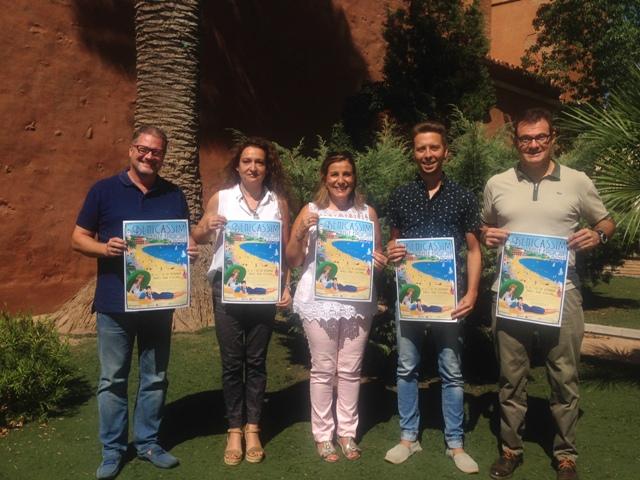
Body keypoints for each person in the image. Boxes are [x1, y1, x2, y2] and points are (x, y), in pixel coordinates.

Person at [481, 108, 615, 480]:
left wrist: (598, 235)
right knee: (511, 376)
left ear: (553, 138)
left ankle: (565, 455)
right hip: (510, 294)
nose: (534, 144)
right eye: (526, 138)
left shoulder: (577, 181)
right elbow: (485, 226)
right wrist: (485, 235)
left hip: (562, 293)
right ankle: (511, 449)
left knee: (564, 376)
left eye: (541, 137)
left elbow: (606, 221)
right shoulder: (497, 183)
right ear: (516, 142)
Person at [71, 126, 199, 480]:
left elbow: (182, 238)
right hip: (114, 303)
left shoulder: (174, 194)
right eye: (143, 149)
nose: (149, 156)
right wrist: (104, 248)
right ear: (131, 150)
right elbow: (78, 239)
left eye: (156, 151)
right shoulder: (104, 191)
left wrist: (188, 248)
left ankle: (148, 443)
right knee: (112, 379)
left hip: (159, 303)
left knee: (155, 377)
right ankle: (113, 450)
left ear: (163, 156)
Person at [385, 121, 481, 474]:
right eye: (421, 148)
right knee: (406, 367)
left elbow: (474, 249)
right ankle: (408, 438)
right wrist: (391, 250)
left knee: (451, 371)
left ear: (445, 152)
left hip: (448, 300)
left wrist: (472, 293)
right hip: (410, 299)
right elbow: (393, 242)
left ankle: (455, 444)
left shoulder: (463, 196)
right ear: (414, 153)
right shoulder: (400, 195)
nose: (428, 154)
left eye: (434, 148)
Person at [192, 137, 291, 466]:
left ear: (267, 167)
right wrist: (207, 226)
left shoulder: (277, 202)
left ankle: (253, 428)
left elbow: (285, 248)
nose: (253, 167)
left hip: (264, 289)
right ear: (237, 166)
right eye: (247, 161)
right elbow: (198, 236)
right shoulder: (221, 198)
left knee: (257, 361)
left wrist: (286, 285)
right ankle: (235, 428)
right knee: (233, 362)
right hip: (227, 288)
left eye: (259, 162)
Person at [286, 152, 387, 462]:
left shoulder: (367, 213)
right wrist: (301, 231)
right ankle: (323, 435)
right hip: (319, 302)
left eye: (347, 174)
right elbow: (293, 259)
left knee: (351, 370)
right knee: (323, 369)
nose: (341, 180)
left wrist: (378, 262)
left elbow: (377, 254)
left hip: (357, 302)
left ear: (354, 177)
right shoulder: (311, 210)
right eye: (335, 174)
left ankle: (347, 432)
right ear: (324, 178)